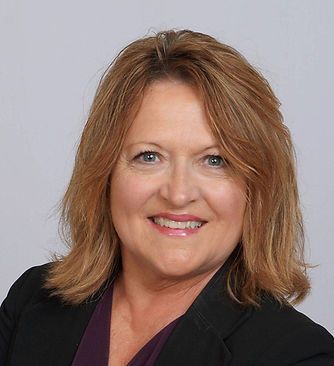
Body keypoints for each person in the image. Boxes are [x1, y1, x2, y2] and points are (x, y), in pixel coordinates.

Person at [1, 29, 334, 366]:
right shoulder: (32, 299)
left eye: (214, 160)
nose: (178, 194)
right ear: (104, 173)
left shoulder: (298, 355)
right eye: (149, 156)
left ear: (257, 188)